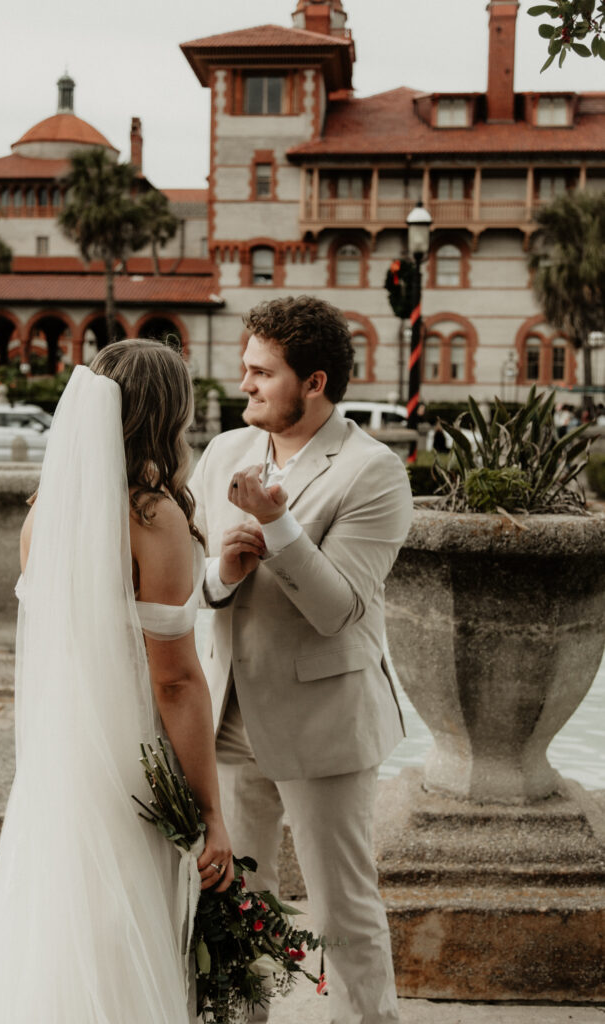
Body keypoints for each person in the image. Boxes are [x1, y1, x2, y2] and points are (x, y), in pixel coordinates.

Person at [0, 340, 233, 1024]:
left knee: (58, 925)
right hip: (131, 763)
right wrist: (213, 813)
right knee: (121, 929)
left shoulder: (47, 512)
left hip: (63, 757)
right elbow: (177, 683)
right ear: (166, 413)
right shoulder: (150, 516)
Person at [190, 295, 413, 1024]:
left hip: (322, 720)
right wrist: (221, 573)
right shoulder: (225, 450)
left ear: (313, 383)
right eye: (245, 369)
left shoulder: (373, 472)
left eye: (262, 373)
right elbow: (192, 582)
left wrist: (277, 523)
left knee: (342, 906)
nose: (245, 384)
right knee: (235, 904)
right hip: (226, 716)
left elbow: (338, 609)